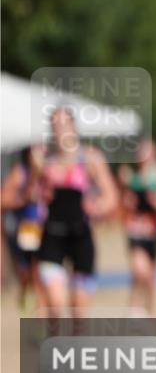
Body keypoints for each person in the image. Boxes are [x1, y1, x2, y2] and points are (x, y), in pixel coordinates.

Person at [35, 106, 118, 330]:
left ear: (73, 126)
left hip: (81, 236)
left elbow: (111, 196)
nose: (60, 130)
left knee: (79, 311)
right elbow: (28, 192)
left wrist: (97, 207)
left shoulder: (89, 158)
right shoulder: (42, 159)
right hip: (52, 235)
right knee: (55, 302)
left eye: (64, 124)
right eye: (55, 125)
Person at [117, 139, 156, 314]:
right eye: (139, 152)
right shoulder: (129, 173)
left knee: (151, 276)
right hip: (136, 228)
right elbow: (122, 199)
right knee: (139, 269)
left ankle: (147, 313)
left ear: (154, 153)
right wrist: (126, 199)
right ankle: (134, 310)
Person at [1, 144, 48, 313]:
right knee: (30, 274)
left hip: (49, 230)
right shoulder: (19, 172)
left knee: (42, 274)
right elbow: (3, 200)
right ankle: (27, 293)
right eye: (36, 149)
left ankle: (41, 312)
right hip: (27, 230)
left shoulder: (51, 171)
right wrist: (24, 198)